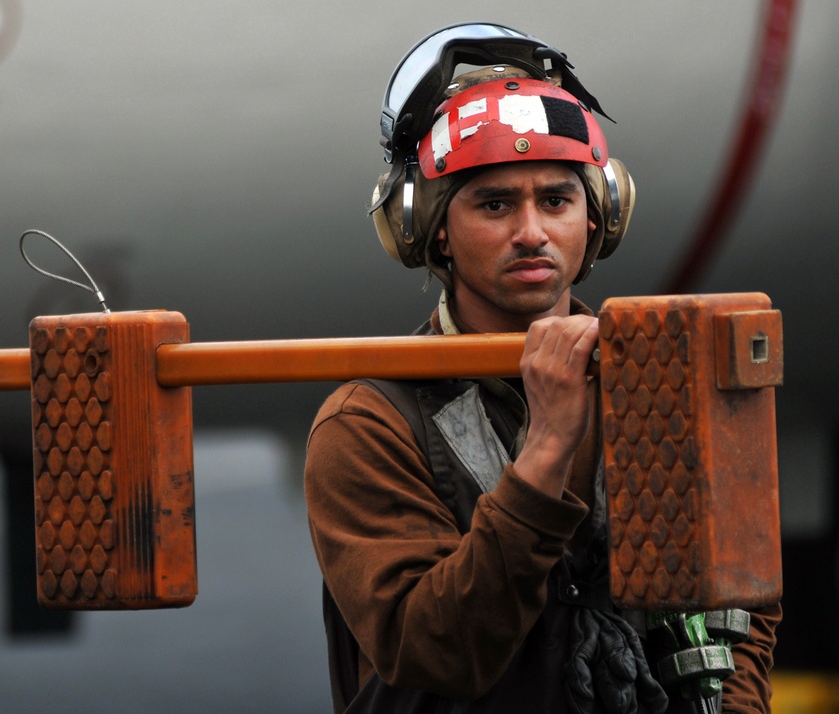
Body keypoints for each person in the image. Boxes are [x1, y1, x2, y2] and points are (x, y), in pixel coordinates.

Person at [303, 23, 780, 714]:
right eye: (494, 204)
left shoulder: (667, 388)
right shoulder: (370, 423)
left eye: (556, 200)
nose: (531, 231)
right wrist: (549, 444)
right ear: (432, 228)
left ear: (598, 216)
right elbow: (435, 652)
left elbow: (741, 603)